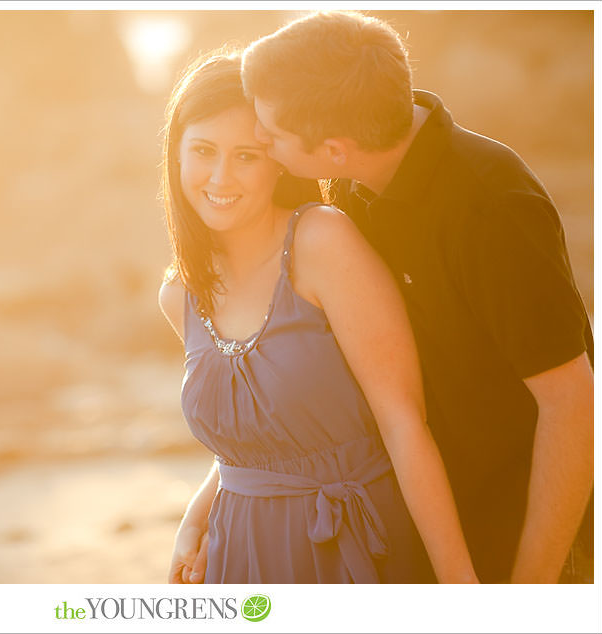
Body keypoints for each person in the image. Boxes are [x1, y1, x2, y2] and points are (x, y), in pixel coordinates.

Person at [236, 10, 594, 583]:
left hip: (523, 527)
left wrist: (531, 590)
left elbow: (571, 401)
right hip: (423, 516)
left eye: (271, 133)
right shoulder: (353, 186)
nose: (260, 138)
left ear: (335, 148)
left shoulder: (491, 206)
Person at [158, 50, 478, 583]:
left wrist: (461, 589)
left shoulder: (322, 241)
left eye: (246, 156)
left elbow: (403, 424)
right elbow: (264, 435)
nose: (220, 176)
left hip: (353, 542)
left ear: (277, 160)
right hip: (238, 554)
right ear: (176, 156)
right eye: (203, 151)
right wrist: (197, 517)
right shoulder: (180, 294)